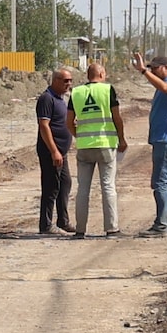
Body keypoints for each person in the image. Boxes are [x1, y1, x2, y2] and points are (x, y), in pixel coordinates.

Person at [67, 61, 127, 237]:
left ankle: (80, 230)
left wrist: (79, 136)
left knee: (83, 189)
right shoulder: (108, 90)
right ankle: (111, 228)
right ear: (101, 75)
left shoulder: (76, 92)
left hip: (84, 147)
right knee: (108, 186)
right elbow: (117, 118)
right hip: (105, 145)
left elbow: (68, 121)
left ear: (87, 76)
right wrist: (121, 139)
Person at [130, 52, 167, 235]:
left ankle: (161, 225)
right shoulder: (165, 85)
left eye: (156, 68)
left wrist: (144, 72)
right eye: (151, 68)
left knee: (160, 182)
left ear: (166, 68)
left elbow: (165, 88)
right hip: (166, 140)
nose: (153, 71)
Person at [35, 67, 75, 235]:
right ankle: (46, 225)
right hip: (51, 151)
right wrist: (54, 151)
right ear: (56, 80)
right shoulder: (47, 98)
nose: (69, 84)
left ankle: (63, 221)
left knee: (65, 184)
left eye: (70, 80)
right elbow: (44, 126)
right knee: (51, 187)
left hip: (61, 152)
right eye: (66, 81)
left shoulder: (60, 99)